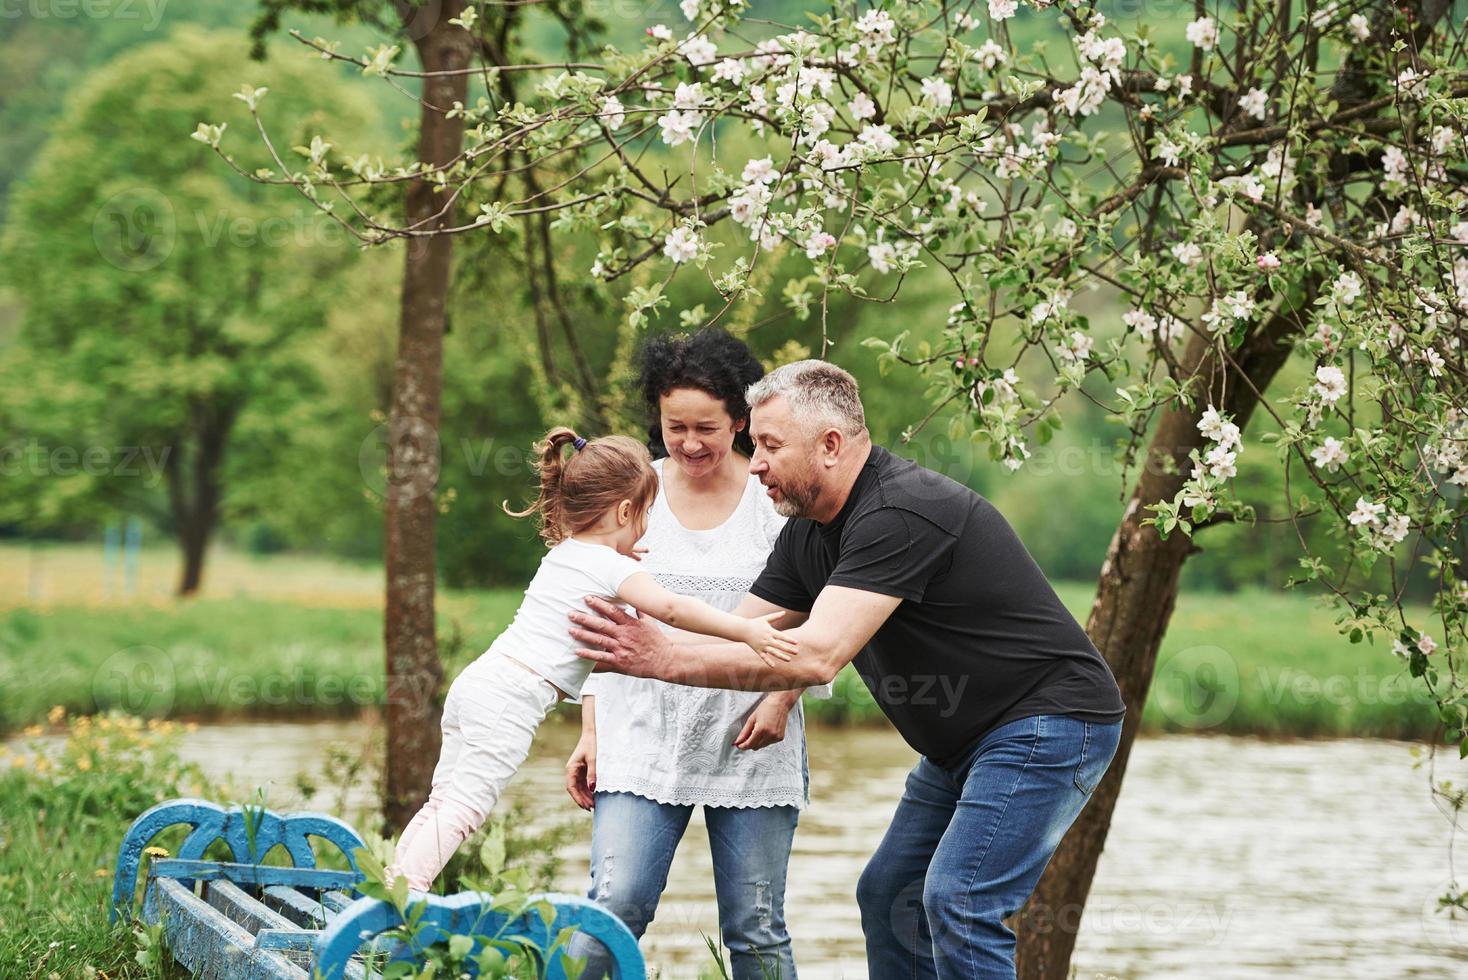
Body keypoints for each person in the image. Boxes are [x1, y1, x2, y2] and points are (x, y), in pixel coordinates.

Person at [567, 360, 1127, 980]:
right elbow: (750, 635)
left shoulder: (899, 511)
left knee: (961, 900)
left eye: (771, 447)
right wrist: (628, 637)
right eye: (755, 446)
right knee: (889, 894)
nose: (754, 465)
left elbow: (814, 655)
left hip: (1047, 723)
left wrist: (664, 658)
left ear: (830, 446)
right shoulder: (808, 531)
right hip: (963, 744)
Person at [386, 426, 796, 894]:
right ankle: (407, 896)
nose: (645, 527)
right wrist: (745, 628)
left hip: (479, 683)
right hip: (511, 700)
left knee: (444, 799)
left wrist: (624, 558)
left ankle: (392, 884)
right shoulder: (612, 567)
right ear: (625, 511)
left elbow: (608, 573)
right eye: (645, 515)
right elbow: (671, 609)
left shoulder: (567, 552)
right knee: (465, 808)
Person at [565, 328, 826, 980]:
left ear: (740, 420)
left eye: (706, 426)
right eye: (673, 425)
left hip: (751, 741)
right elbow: (604, 622)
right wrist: (591, 729)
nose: (688, 443)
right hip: (641, 736)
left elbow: (823, 614)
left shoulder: (777, 505)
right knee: (614, 905)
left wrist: (782, 696)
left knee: (756, 928)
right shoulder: (634, 499)